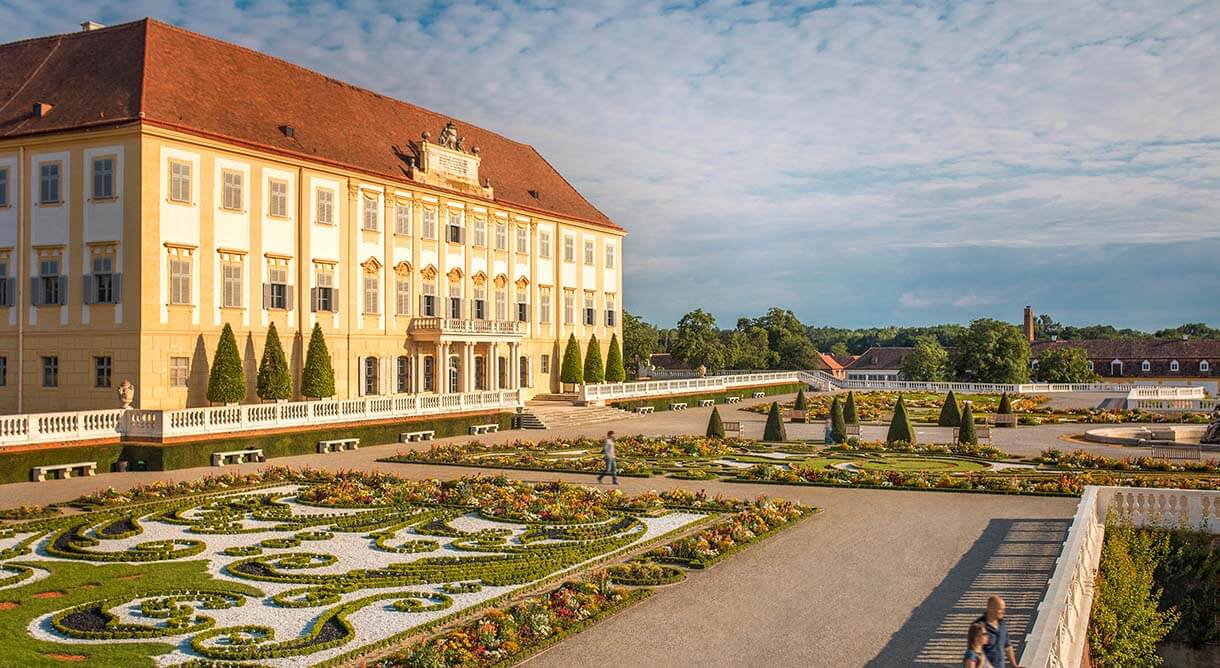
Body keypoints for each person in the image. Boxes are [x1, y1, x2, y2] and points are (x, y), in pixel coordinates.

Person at [975, 595, 1020, 668]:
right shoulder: (979, 627)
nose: (1003, 612)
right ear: (990, 608)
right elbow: (974, 653)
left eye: (1004, 609)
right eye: (1000, 609)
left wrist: (1014, 665)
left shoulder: (1002, 624)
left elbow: (1007, 646)